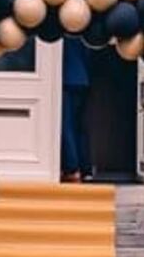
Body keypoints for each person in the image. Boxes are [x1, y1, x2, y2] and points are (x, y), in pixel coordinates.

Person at [60, 35, 91, 182]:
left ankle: (71, 168)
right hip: (82, 79)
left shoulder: (62, 32)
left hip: (67, 81)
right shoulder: (80, 32)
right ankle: (85, 168)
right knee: (79, 127)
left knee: (66, 125)